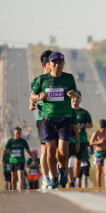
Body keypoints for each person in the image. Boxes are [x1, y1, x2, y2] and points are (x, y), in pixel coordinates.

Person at [30, 51, 79, 189]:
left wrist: (73, 94)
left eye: (60, 63)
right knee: (50, 151)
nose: (57, 66)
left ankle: (62, 168)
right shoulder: (42, 79)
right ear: (49, 65)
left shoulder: (69, 78)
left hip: (65, 119)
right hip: (47, 120)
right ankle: (53, 177)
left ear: (63, 64)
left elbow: (75, 92)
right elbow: (32, 96)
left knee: (63, 151)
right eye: (54, 63)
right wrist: (39, 97)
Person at [29, 49, 53, 189]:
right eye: (52, 61)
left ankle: (53, 175)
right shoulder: (37, 81)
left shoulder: (59, 80)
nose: (56, 64)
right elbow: (31, 99)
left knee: (55, 150)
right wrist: (33, 103)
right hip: (43, 119)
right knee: (45, 150)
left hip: (59, 118)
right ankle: (46, 178)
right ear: (45, 64)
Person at [69, 90, 93, 187]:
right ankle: (69, 182)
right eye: (74, 98)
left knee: (77, 163)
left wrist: (82, 126)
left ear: (80, 100)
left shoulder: (84, 112)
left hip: (81, 140)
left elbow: (91, 124)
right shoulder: (67, 111)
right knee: (67, 162)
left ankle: (74, 180)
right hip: (69, 140)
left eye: (78, 98)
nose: (75, 100)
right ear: (71, 99)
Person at [89, 119, 106, 188]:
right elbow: (90, 143)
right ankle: (99, 187)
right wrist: (98, 142)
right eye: (101, 127)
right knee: (99, 170)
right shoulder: (96, 133)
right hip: (98, 153)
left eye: (104, 127)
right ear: (99, 127)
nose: (103, 129)